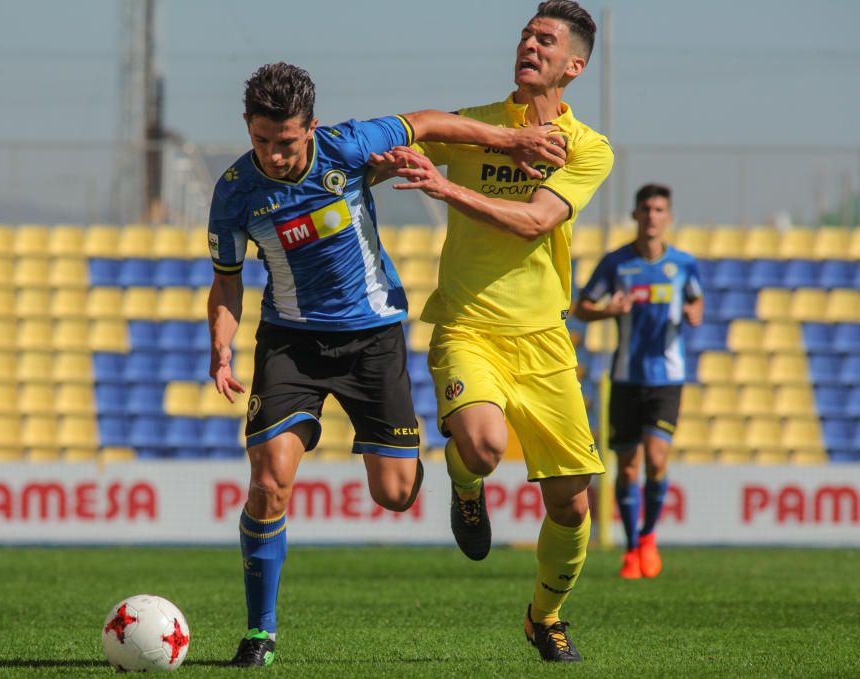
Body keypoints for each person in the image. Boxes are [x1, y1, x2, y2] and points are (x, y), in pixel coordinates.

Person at [208, 62, 567, 668]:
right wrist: (220, 346)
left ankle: (459, 478)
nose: (273, 155)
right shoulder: (235, 191)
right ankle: (260, 633)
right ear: (248, 127)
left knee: (396, 495)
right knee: (269, 481)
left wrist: (513, 139)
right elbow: (226, 282)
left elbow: (425, 122)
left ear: (311, 128)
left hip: (373, 339)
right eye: (262, 140)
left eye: (287, 142)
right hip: (290, 344)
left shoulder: (345, 146)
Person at [370, 0, 612, 663]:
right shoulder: (475, 125)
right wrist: (384, 157)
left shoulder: (588, 148)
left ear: (574, 65)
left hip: (544, 341)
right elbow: (407, 139)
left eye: (546, 40)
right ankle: (466, 484)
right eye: (526, 36)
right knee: (481, 445)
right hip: (467, 327)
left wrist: (444, 192)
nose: (530, 46)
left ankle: (545, 616)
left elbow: (536, 221)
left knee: (572, 504)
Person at [575, 183, 704, 579]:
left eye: (659, 209)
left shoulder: (683, 264)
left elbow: (696, 301)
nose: (651, 216)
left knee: (657, 458)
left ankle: (648, 538)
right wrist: (607, 310)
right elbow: (582, 306)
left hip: (667, 379)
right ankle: (632, 549)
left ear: (668, 217)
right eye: (645, 209)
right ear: (635, 216)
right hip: (626, 378)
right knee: (628, 468)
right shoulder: (617, 263)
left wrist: (692, 313)